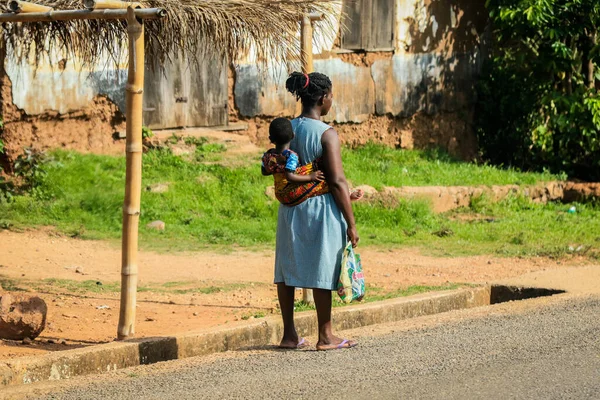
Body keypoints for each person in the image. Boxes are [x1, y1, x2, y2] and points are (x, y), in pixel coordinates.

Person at [275, 71, 360, 351]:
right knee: (323, 265)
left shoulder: (286, 128)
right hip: (321, 210)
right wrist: (351, 222)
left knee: (287, 269)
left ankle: (289, 334)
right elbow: (335, 181)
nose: (331, 100)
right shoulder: (326, 134)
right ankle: (326, 335)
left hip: (290, 208)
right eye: (331, 95)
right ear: (323, 98)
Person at [262, 117, 364, 206]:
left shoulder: (268, 155)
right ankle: (347, 194)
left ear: (271, 139)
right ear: (293, 136)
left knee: (313, 168)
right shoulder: (291, 156)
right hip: (290, 194)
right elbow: (290, 176)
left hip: (279, 194)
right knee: (327, 181)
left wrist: (277, 169)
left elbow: (264, 171)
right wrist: (311, 177)